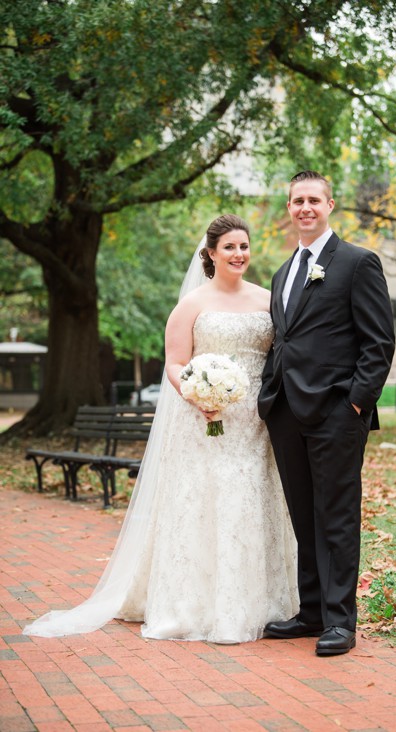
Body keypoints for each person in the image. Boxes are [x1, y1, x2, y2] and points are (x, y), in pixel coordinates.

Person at [24, 214, 299, 643]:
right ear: (210, 253)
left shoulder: (269, 300)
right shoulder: (191, 304)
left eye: (244, 246)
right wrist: (198, 396)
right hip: (204, 419)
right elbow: (175, 363)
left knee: (251, 500)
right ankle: (197, 605)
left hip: (256, 422)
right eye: (229, 247)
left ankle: (262, 603)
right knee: (207, 502)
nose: (239, 254)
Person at [258, 171, 395, 657]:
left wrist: (355, 402)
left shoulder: (358, 263)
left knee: (336, 517)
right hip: (286, 412)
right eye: (297, 201)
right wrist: (269, 397)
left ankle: (340, 621)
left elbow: (378, 343)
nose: (305, 208)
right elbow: (284, 340)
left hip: (337, 411)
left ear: (330, 204)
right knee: (303, 515)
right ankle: (311, 611)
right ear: (289, 207)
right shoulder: (283, 272)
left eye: (313, 199)